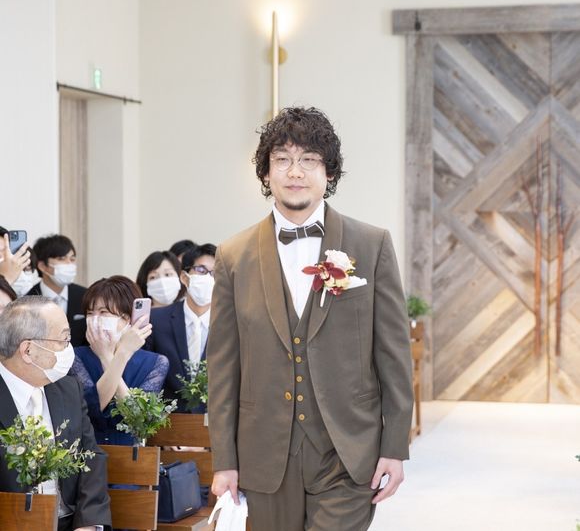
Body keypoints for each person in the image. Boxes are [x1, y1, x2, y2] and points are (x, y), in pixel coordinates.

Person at [207, 107, 414, 531]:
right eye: (282, 159)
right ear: (266, 173)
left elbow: (393, 355)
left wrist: (395, 447)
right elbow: (223, 367)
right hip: (265, 454)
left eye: (309, 159)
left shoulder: (371, 245)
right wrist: (224, 460)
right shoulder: (233, 255)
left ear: (329, 172)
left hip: (348, 451)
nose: (295, 171)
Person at [0, 296, 112, 531]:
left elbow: (90, 455)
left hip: (69, 522)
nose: (68, 349)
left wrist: (89, 524)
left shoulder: (68, 388)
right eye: (63, 340)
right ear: (28, 350)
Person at [71, 275, 169, 445]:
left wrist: (117, 355)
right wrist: (107, 356)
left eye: (103, 312)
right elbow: (92, 409)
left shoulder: (156, 362)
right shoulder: (75, 357)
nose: (95, 320)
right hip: (88, 451)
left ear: (127, 318)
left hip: (131, 453)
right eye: (90, 313)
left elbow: (137, 419)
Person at [146, 243, 216, 412]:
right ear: (184, 277)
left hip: (214, 421)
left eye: (215, 273)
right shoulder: (156, 319)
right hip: (167, 420)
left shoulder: (231, 324)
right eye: (201, 270)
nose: (208, 278)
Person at [27, 234, 88, 347]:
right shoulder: (27, 301)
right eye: (61, 259)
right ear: (42, 266)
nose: (69, 264)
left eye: (72, 259)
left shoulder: (85, 296)